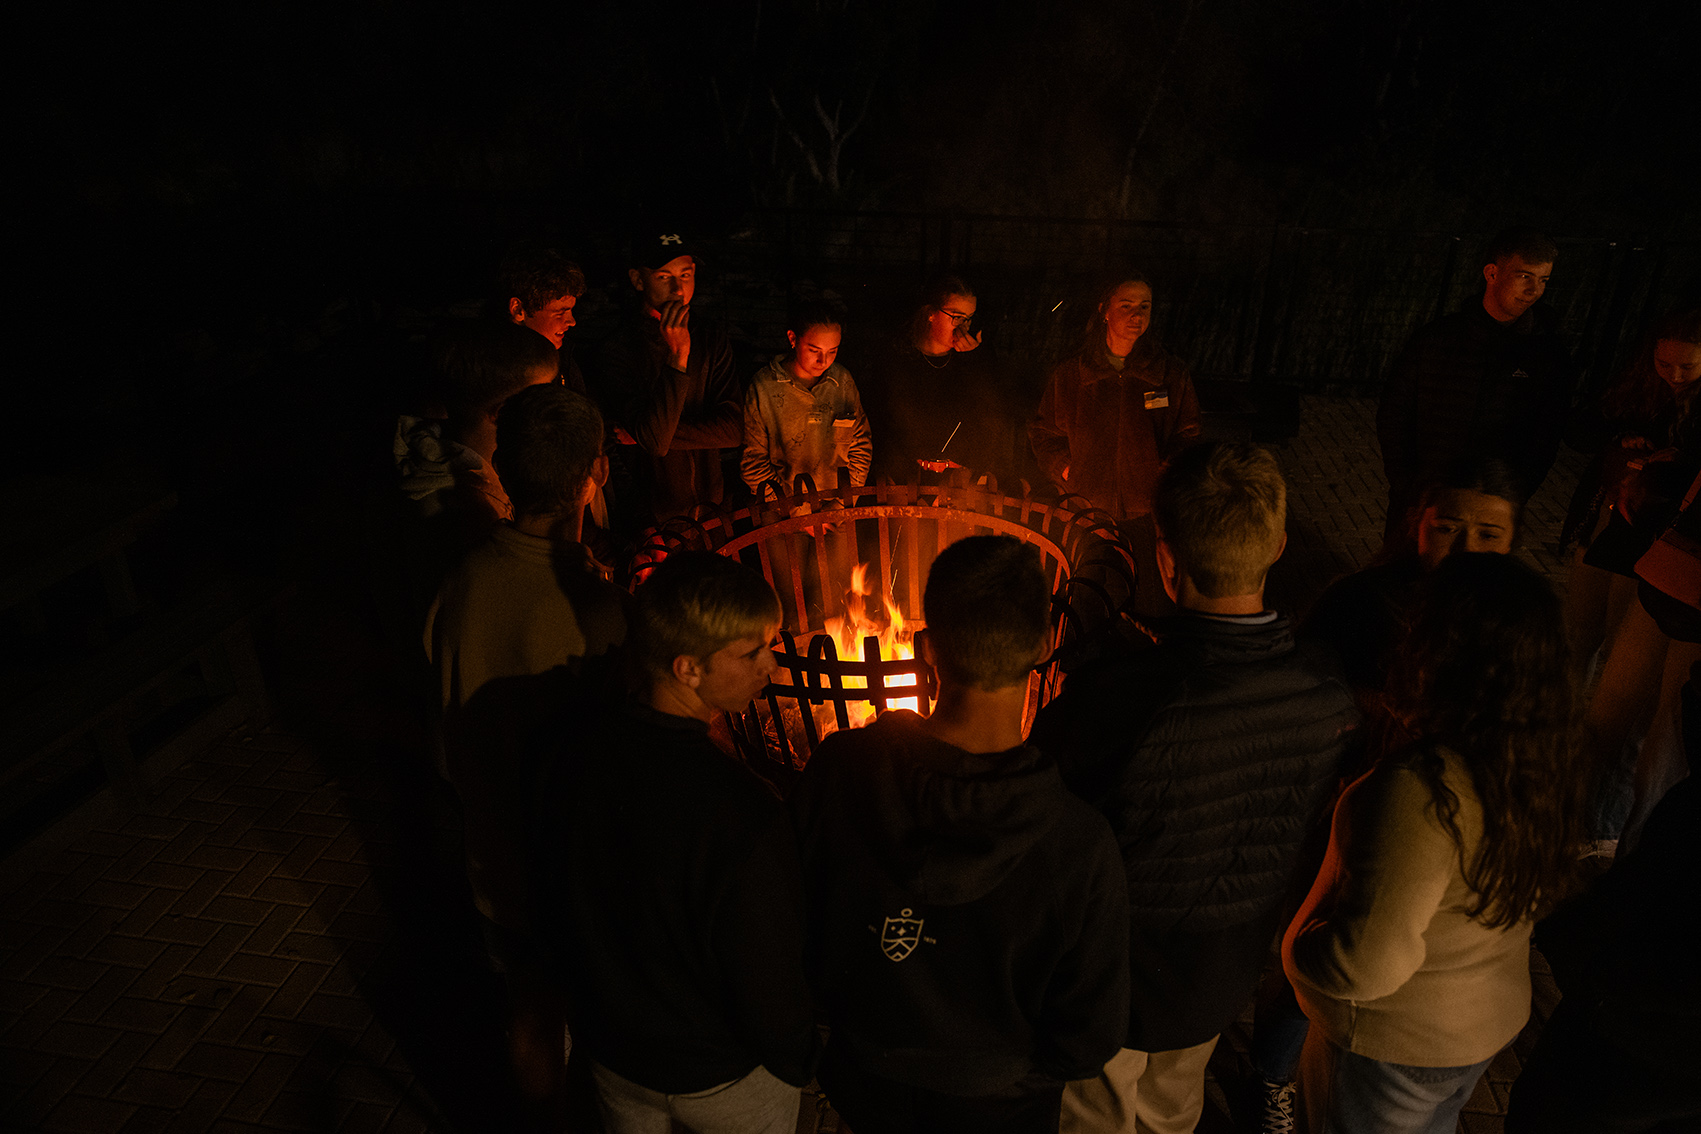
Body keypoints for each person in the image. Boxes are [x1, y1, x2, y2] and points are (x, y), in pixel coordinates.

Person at [1030, 442, 1358, 1134]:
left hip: (1112, 982)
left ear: (1166, 560)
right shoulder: (1326, 695)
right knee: (1172, 1111)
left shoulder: (1117, 699)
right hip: (1219, 975)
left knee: (1094, 1117)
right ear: (1277, 547)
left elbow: (1047, 833)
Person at [789, 535, 1130, 1134]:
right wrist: (1006, 1077)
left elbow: (794, 928)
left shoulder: (839, 772)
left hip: (864, 1084)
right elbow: (1088, 1038)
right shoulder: (1080, 844)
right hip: (1002, 1111)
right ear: (1044, 646)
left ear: (926, 648)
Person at [1283, 553, 1590, 1134]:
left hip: (1393, 1044)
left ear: (1442, 653)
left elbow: (1364, 964)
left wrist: (1297, 952)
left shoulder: (1424, 789)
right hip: (1476, 1028)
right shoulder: (1533, 762)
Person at [529, 552, 816, 1134]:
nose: (772, 665)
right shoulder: (741, 810)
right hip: (722, 1077)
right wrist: (800, 1059)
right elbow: (765, 971)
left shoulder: (569, 751)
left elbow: (554, 896)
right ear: (688, 669)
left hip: (614, 1055)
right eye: (751, 652)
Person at [423, 383, 627, 1097]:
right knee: (601, 1017)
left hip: (497, 859)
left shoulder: (462, 578)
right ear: (596, 473)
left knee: (531, 1010)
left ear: (503, 471)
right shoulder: (596, 609)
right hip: (576, 874)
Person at [1375, 228, 1577, 546]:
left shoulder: (1548, 356)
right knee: (1401, 573)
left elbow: (1546, 437)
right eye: (1524, 276)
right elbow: (1394, 413)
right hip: (1419, 501)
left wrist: (1511, 496)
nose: (1534, 290)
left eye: (1543, 280)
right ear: (1492, 273)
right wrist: (1406, 484)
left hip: (1491, 511)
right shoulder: (1436, 339)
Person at [1030, 273, 1202, 618]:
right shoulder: (1073, 375)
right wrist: (1068, 470)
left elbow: (1188, 434)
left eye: (1145, 306)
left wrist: (1165, 475)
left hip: (1148, 510)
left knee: (1150, 602)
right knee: (1083, 600)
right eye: (1126, 305)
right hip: (1086, 509)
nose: (1137, 315)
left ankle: (1144, 650)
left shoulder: (1169, 374)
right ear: (1104, 311)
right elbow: (1044, 433)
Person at [1303, 458, 1525, 716]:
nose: (1466, 548)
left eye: (1488, 535)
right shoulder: (1358, 601)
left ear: (1511, 541)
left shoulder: (1526, 619)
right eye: (1447, 529)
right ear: (1414, 523)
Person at [1563, 307, 1701, 679]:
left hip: (1652, 536)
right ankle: (1563, 705)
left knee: (1621, 645)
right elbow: (1581, 430)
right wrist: (1621, 438)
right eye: (1664, 363)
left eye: (1687, 367)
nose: (1674, 376)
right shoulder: (1639, 386)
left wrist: (1681, 459)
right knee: (1577, 630)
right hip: (1607, 518)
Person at [594, 230, 742, 525]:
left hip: (711, 511)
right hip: (653, 519)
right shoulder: (618, 349)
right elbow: (654, 443)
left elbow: (733, 430)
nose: (678, 289)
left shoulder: (710, 338)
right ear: (638, 280)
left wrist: (647, 435)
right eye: (664, 277)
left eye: (685, 275)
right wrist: (678, 356)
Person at [858, 275, 1021, 487]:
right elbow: (884, 423)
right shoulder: (897, 359)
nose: (963, 327)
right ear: (930, 314)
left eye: (969, 318)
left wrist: (974, 361)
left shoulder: (976, 360)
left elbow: (993, 417)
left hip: (960, 481)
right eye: (956, 317)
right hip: (905, 481)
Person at [741, 300, 873, 500]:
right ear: (793, 338)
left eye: (832, 351)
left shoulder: (842, 381)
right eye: (814, 350)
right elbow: (753, 462)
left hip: (838, 508)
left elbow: (861, 445)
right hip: (784, 510)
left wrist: (843, 502)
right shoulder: (764, 388)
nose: (823, 361)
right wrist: (790, 508)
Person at [498, 244, 590, 394]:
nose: (572, 322)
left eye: (571, 310)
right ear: (518, 309)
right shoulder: (498, 376)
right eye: (560, 313)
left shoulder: (563, 357)